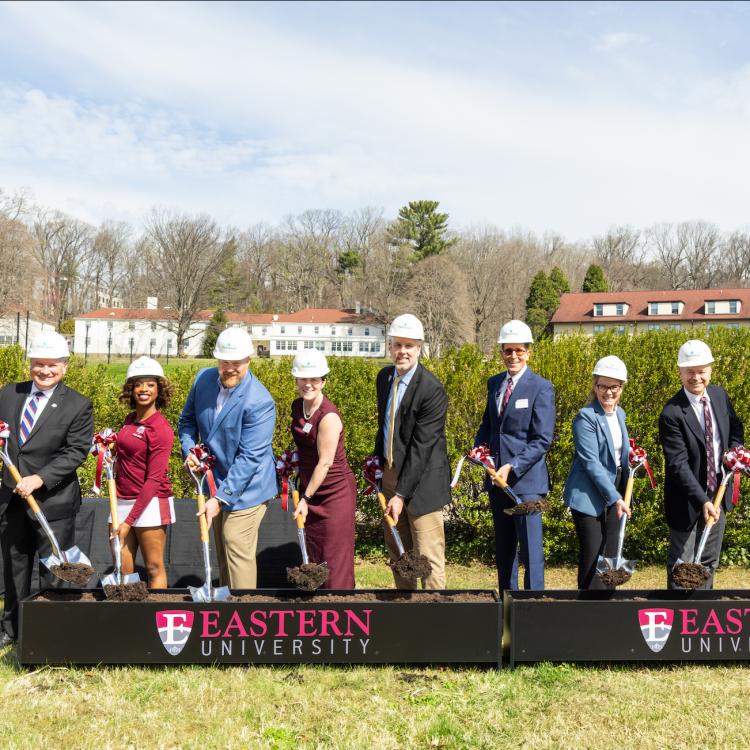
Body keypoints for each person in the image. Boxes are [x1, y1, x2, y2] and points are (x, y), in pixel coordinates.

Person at [0, 332, 93, 647]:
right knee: (15, 566)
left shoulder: (78, 404)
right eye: (39, 364)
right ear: (30, 364)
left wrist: (39, 478)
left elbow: (76, 451)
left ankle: (51, 632)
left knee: (54, 570)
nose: (45, 371)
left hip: (53, 501)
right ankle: (12, 629)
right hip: (11, 499)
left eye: (52, 365)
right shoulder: (8, 394)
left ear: (64, 366)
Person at [178, 327, 277, 589]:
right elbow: (187, 421)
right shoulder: (203, 379)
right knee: (223, 550)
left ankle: (245, 609)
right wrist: (190, 451)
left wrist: (221, 499)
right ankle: (225, 606)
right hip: (215, 479)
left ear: (248, 360)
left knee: (234, 540)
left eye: (237, 363)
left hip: (250, 485)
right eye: (225, 362)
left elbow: (249, 458)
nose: (230, 368)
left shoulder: (260, 402)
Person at [474, 320, 555, 593]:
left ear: (528, 352)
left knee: (531, 554)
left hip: (527, 484)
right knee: (505, 552)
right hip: (497, 482)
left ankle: (532, 608)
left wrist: (512, 466)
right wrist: (481, 452)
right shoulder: (494, 383)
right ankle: (507, 608)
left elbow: (542, 439)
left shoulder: (541, 387)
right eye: (508, 350)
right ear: (501, 352)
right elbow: (488, 425)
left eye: (519, 350)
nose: (513, 356)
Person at [375, 313, 451, 589]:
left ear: (419, 348)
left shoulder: (431, 390)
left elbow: (421, 448)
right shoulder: (384, 378)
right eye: (397, 344)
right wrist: (377, 466)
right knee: (398, 550)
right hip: (391, 475)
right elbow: (386, 427)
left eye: (409, 345)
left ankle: (435, 611)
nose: (402, 351)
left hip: (423, 483)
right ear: (390, 346)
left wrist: (400, 495)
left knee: (427, 557)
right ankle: (405, 608)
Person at [659, 340, 743, 589]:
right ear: (680, 372)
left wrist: (734, 453)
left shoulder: (719, 396)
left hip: (718, 494)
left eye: (701, 371)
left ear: (710, 370)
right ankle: (678, 612)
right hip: (686, 499)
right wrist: (702, 500)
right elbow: (678, 464)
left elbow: (736, 428)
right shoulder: (671, 413)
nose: (696, 377)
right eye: (690, 371)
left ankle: (702, 612)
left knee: (708, 563)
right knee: (682, 567)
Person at [289, 350, 356, 588]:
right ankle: (317, 606)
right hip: (310, 489)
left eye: (314, 379)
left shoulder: (328, 417)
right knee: (314, 551)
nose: (308, 384)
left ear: (323, 381)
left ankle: (340, 604)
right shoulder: (297, 406)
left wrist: (305, 498)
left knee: (334, 558)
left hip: (334, 493)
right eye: (303, 378)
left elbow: (325, 462)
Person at [563, 356, 631, 590]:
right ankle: (587, 606)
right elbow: (591, 462)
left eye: (614, 387)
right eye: (603, 386)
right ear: (595, 386)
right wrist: (615, 498)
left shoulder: (620, 414)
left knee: (611, 553)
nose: (608, 392)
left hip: (616, 490)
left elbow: (617, 454)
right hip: (588, 495)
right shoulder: (586, 417)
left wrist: (632, 458)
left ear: (621, 388)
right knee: (593, 554)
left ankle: (606, 604)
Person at [113, 356, 175, 588]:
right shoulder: (129, 420)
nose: (144, 389)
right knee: (123, 567)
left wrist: (129, 521)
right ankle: (127, 609)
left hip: (151, 503)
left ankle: (156, 610)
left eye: (150, 384)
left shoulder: (160, 429)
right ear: (131, 389)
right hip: (121, 500)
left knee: (153, 567)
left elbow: (154, 479)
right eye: (138, 384)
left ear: (159, 390)